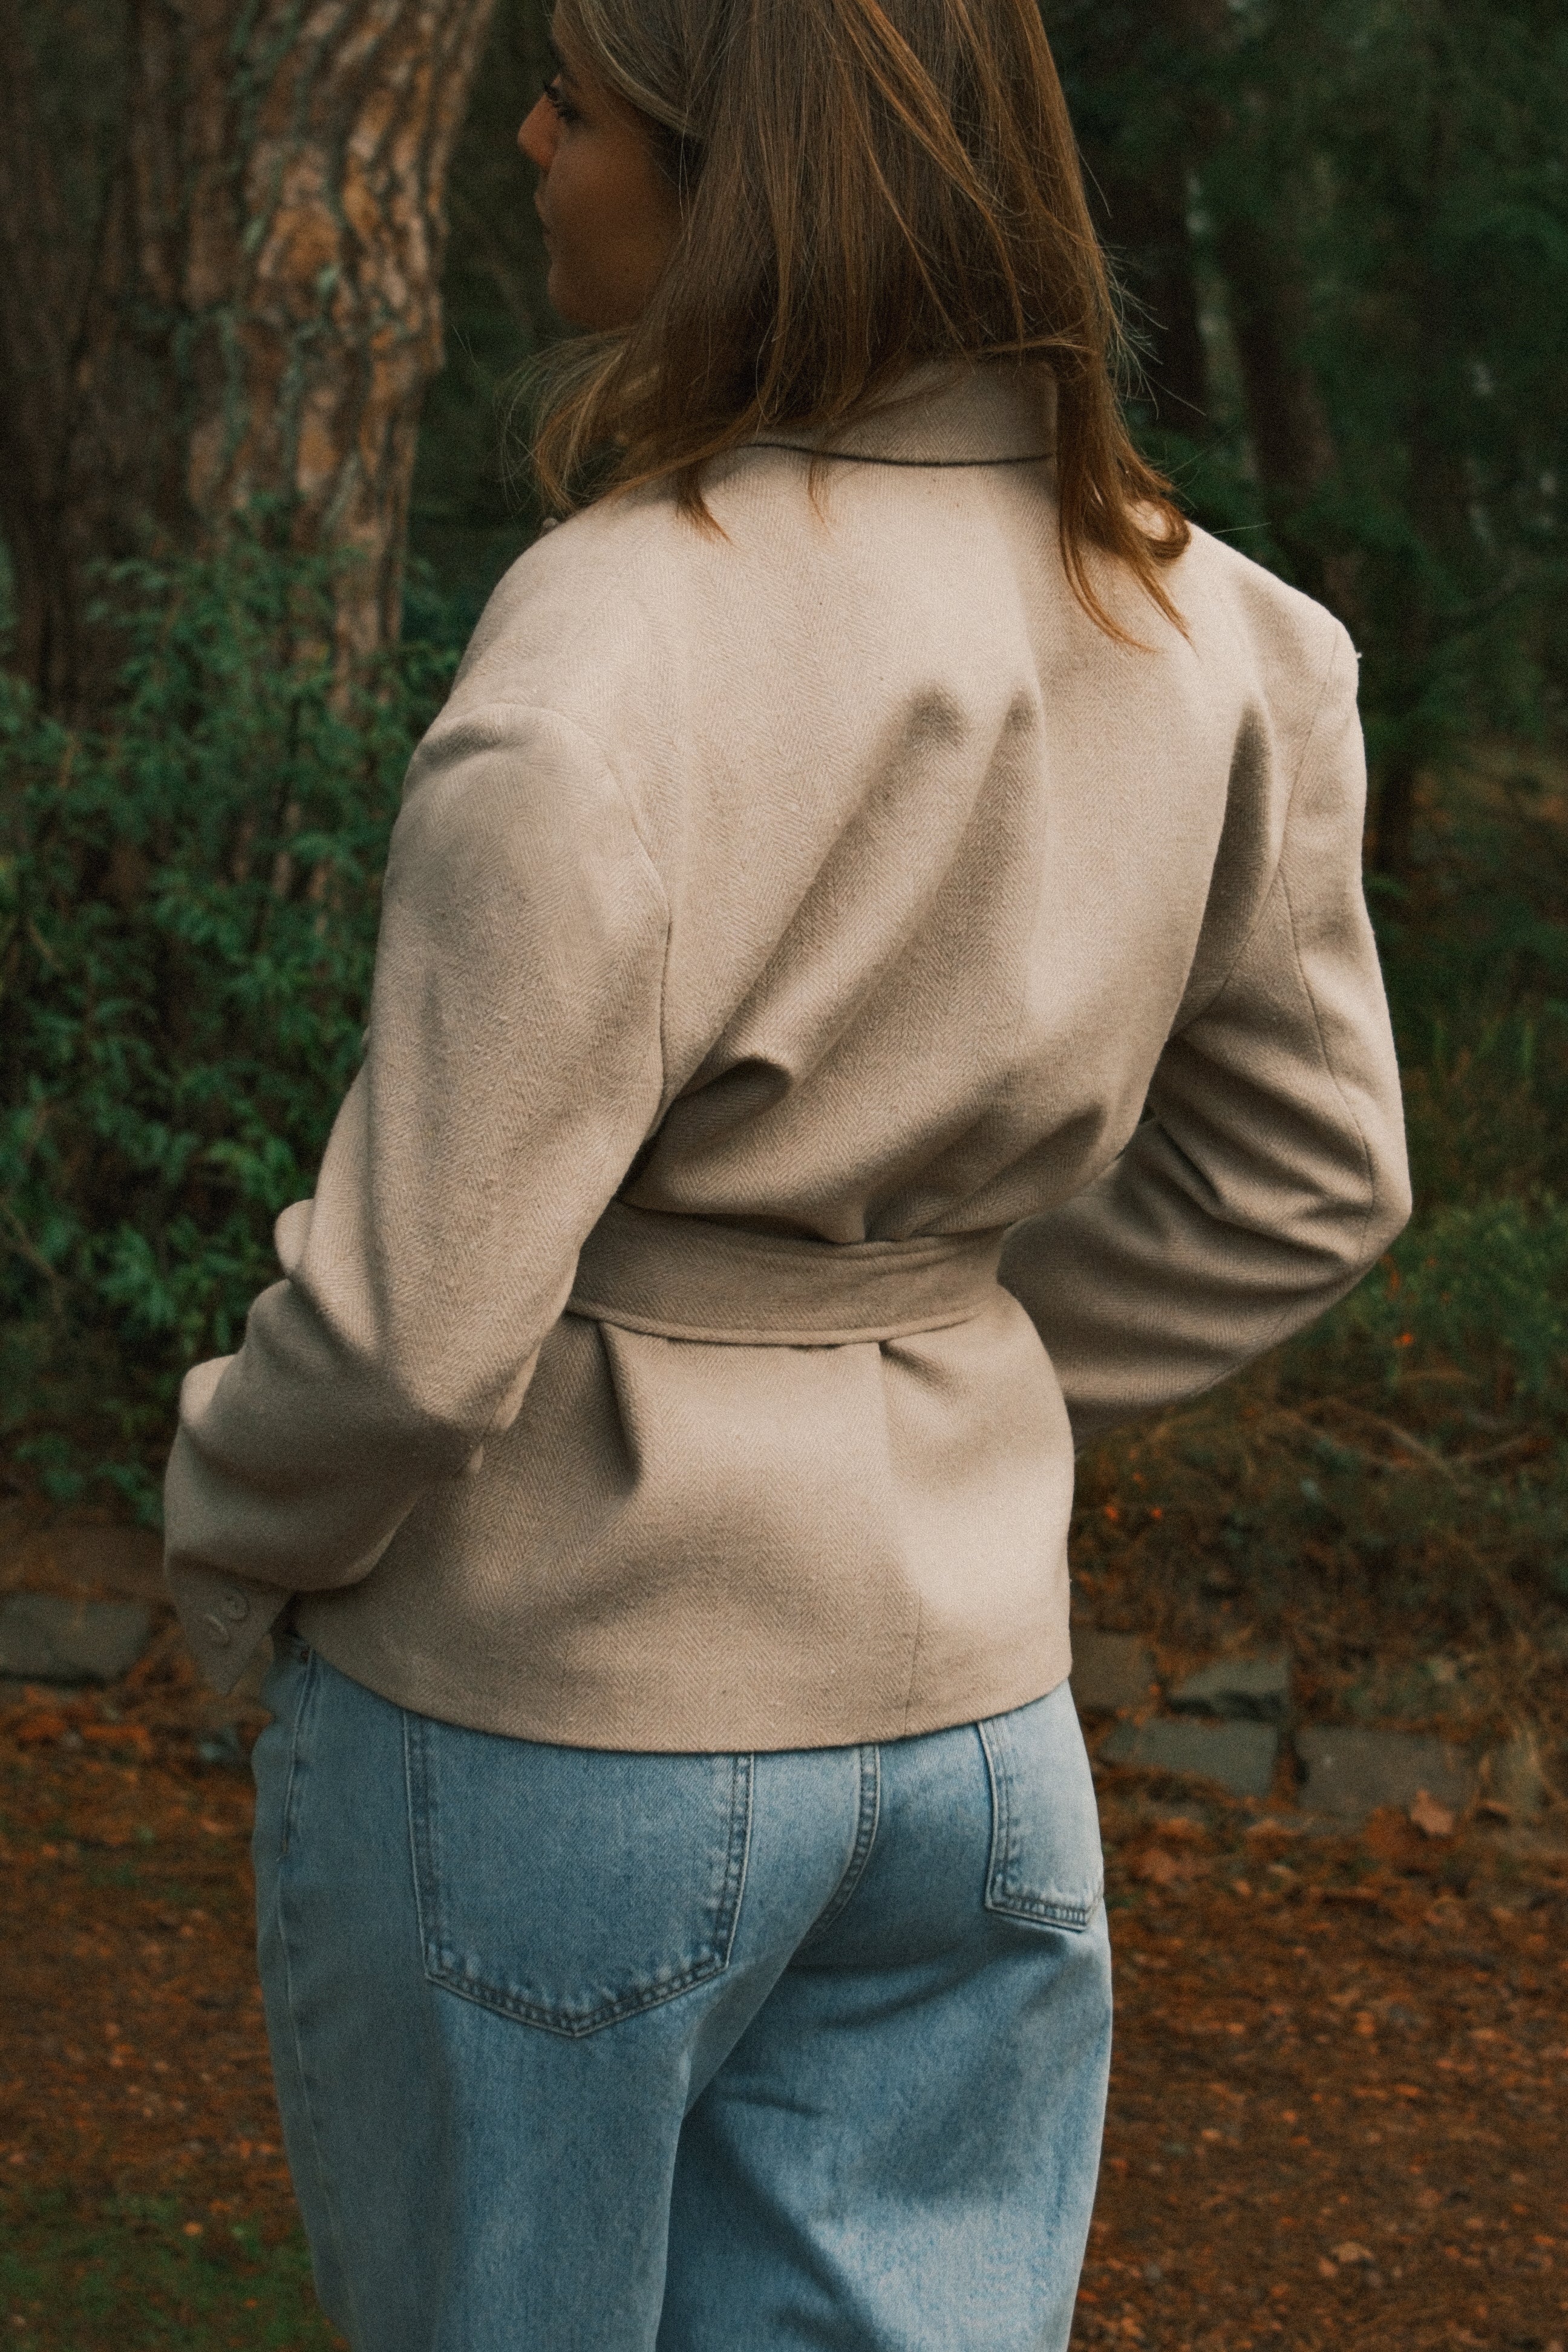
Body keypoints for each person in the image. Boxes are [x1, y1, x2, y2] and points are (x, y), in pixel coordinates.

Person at [163, 2, 1410, 2345]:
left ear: (738, 173)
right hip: (979, 1735)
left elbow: (421, 1329)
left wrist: (227, 1525)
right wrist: (921, 1359)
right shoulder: (1225, 629)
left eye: (574, 99)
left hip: (554, 1715)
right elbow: (1312, 1184)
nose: (526, 141)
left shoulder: (612, 636)